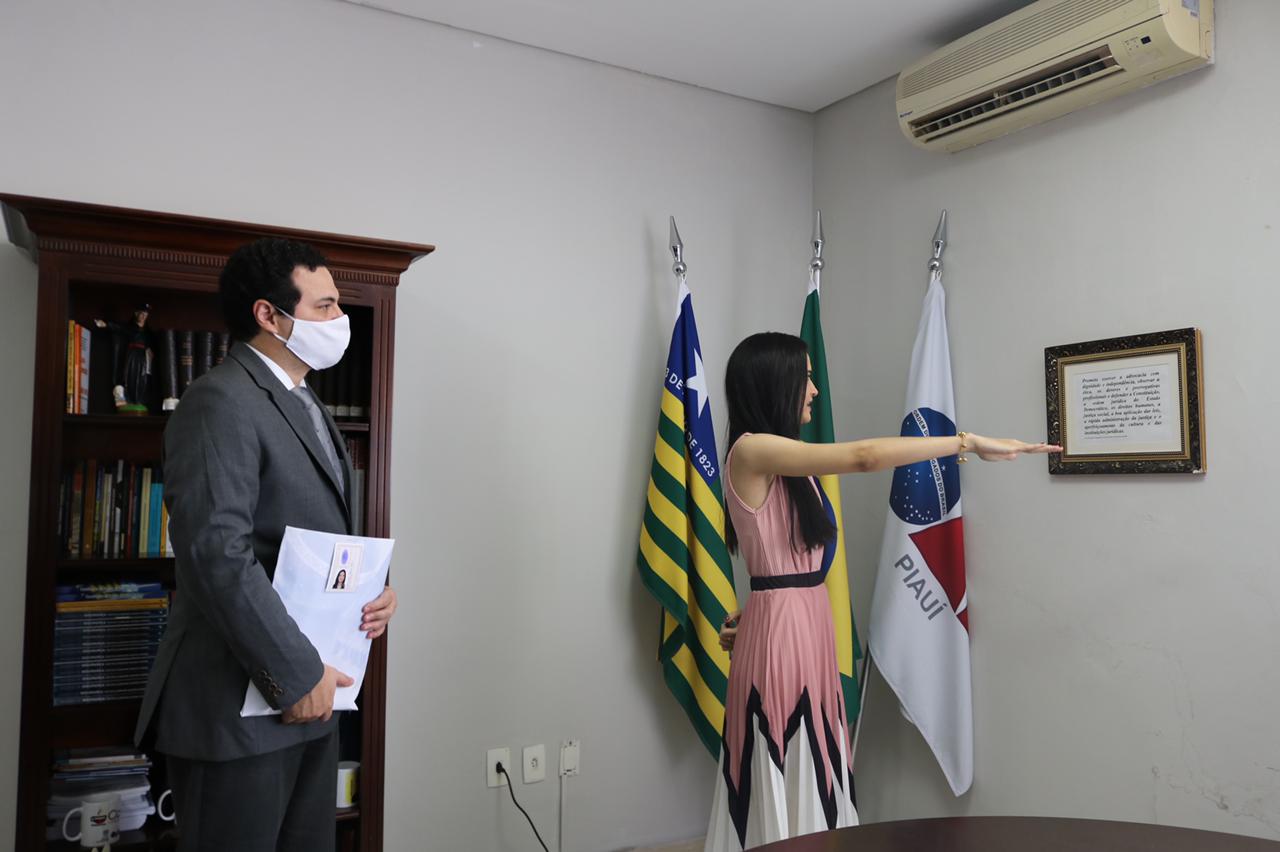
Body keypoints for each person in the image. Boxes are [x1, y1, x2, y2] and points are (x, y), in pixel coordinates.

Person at [703, 332, 1058, 851]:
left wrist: (759, 613)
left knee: (816, 758)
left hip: (799, 623)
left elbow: (784, 560)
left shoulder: (785, 461)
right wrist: (966, 442)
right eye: (805, 378)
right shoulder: (753, 449)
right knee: (786, 751)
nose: (814, 390)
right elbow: (866, 456)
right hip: (785, 631)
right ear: (775, 382)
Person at [134, 238, 398, 852]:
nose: (340, 320)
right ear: (268, 315)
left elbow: (314, 530)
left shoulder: (306, 401)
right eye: (325, 306)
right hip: (240, 706)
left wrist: (374, 591)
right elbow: (216, 554)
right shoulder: (218, 400)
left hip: (313, 700)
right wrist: (297, 674)